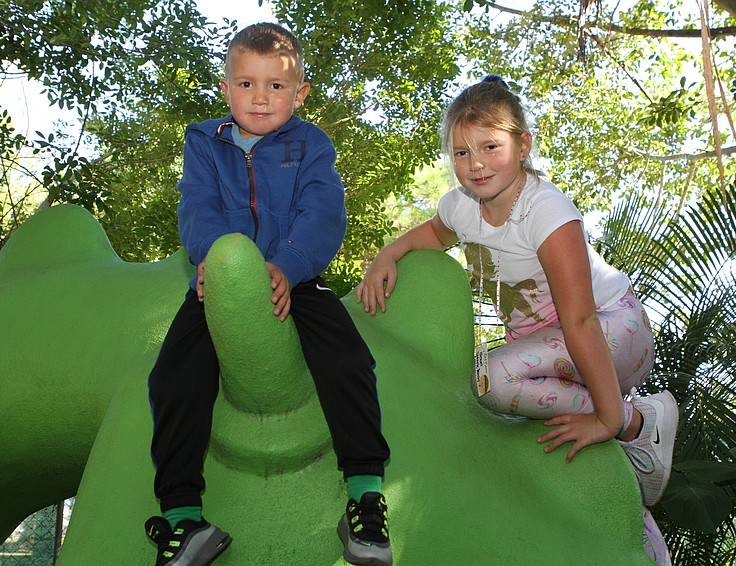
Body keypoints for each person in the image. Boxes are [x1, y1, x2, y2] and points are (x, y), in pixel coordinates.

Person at [356, 75, 677, 566]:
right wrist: (386, 255)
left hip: (612, 334)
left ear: (522, 144)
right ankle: (647, 542)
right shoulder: (462, 207)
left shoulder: (545, 212)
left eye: (490, 146)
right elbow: (430, 236)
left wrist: (610, 419)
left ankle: (638, 420)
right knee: (543, 436)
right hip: (552, 356)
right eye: (461, 153)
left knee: (492, 378)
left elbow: (581, 321)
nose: (475, 163)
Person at [145, 23, 392, 566]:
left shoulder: (311, 144)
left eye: (276, 86)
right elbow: (197, 206)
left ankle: (365, 496)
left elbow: (323, 213)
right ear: (226, 87)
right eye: (246, 83)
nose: (261, 97)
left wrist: (288, 263)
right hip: (222, 280)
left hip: (294, 276)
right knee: (172, 378)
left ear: (299, 93)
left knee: (348, 361)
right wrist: (215, 259)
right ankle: (183, 518)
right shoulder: (203, 141)